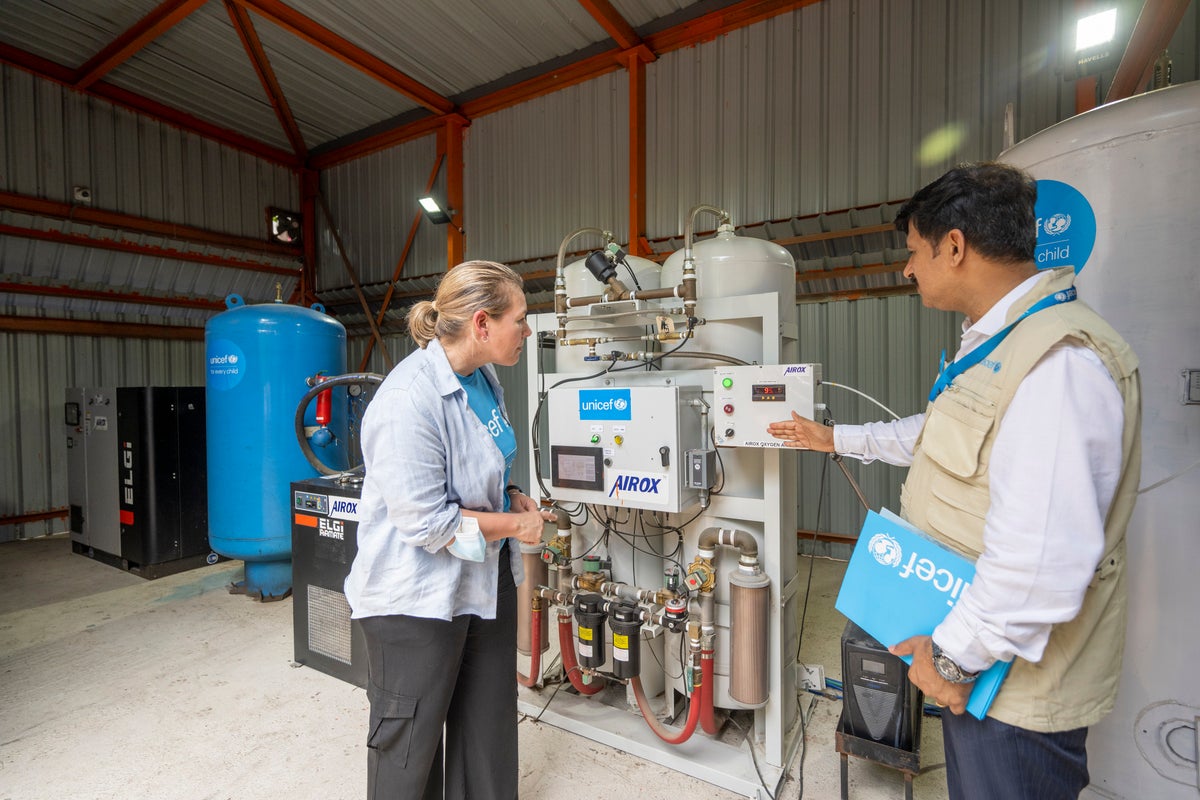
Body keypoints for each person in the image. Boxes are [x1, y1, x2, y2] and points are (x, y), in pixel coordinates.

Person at [768, 162, 1141, 799]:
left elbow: (1041, 559)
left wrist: (951, 659)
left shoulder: (1057, 363)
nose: (907, 269)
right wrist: (834, 438)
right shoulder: (999, 343)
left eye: (914, 251)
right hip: (981, 663)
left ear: (956, 246)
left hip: (1012, 690)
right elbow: (936, 434)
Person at [345, 260, 556, 800]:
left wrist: (512, 494)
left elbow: (486, 465)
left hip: (484, 580)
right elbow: (428, 523)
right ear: (482, 323)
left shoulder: (484, 378)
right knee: (409, 748)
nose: (526, 331)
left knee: (487, 729)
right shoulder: (408, 400)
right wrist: (518, 524)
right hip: (416, 598)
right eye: (520, 319)